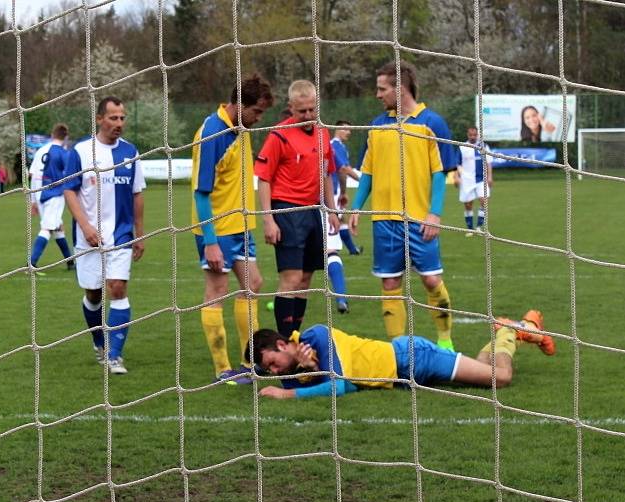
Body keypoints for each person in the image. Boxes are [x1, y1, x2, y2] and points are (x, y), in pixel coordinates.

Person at [349, 61, 457, 351]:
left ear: (401, 88)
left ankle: (445, 342)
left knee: (432, 280)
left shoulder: (431, 123)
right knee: (389, 285)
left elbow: (440, 173)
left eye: (382, 89)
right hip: (383, 219)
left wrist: (434, 213)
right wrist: (356, 207)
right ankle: (399, 351)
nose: (377, 95)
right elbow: (367, 173)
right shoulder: (376, 125)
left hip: (420, 219)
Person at [247, 310, 555, 399]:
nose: (274, 373)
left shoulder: (316, 335)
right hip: (405, 376)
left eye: (272, 363)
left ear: (282, 345)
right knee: (483, 370)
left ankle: (510, 330)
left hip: (413, 358)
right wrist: (308, 372)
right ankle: (510, 329)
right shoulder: (294, 375)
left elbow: (339, 385)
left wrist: (288, 396)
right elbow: (353, 383)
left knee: (499, 378)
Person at [191, 74, 275, 385]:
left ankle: (247, 361)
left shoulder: (241, 127)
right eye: (257, 112)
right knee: (217, 291)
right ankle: (222, 369)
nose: (259, 119)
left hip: (241, 226)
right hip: (218, 231)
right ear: (240, 105)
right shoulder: (213, 134)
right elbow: (201, 194)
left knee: (253, 284)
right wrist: (210, 242)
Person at [63, 96, 145, 375]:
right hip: (88, 237)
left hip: (121, 235)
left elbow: (137, 195)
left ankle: (115, 356)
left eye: (122, 118)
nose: (119, 123)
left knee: (118, 289)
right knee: (93, 293)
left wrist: (140, 234)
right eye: (113, 118)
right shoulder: (81, 151)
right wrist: (86, 227)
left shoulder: (131, 152)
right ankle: (99, 341)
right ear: (99, 119)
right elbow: (69, 191)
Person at [255, 80, 341, 337]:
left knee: (305, 279)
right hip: (287, 211)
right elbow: (264, 179)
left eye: (312, 110)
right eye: (301, 111)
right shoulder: (278, 135)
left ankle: (293, 338)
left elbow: (326, 172)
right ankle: (284, 341)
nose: (308, 116)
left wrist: (332, 210)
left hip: (313, 211)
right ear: (290, 107)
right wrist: (269, 219)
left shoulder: (322, 132)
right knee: (291, 279)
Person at [29, 123, 74, 273]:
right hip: (55, 193)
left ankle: (70, 262)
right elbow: (69, 176)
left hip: (39, 192)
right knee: (48, 228)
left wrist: (33, 200)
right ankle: (31, 263)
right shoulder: (63, 153)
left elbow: (33, 175)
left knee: (58, 228)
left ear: (52, 134)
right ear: (66, 137)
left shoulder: (41, 150)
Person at [330, 121, 363, 257]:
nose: (349, 132)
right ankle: (331, 250)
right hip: (332, 188)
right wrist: (362, 181)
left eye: (350, 130)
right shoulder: (337, 146)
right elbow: (343, 168)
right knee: (334, 219)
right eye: (346, 129)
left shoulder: (336, 146)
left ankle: (352, 249)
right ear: (337, 129)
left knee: (340, 218)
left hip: (331, 187)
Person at [456, 126, 493, 237]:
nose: (472, 137)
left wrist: (490, 176)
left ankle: (479, 227)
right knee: (468, 205)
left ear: (477, 135)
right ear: (467, 135)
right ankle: (470, 229)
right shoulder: (462, 147)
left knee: (484, 201)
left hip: (481, 179)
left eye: (474, 135)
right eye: (470, 135)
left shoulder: (483, 146)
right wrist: (456, 177)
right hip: (467, 180)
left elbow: (489, 162)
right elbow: (457, 164)